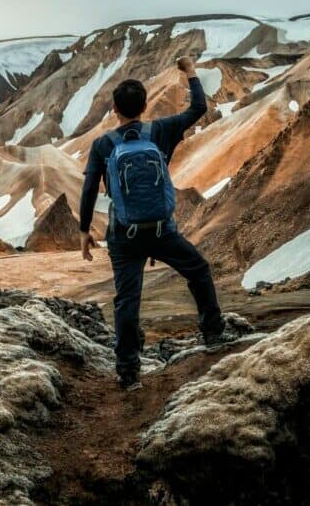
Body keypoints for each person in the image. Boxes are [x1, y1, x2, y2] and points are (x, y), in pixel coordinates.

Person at [78, 56, 233, 391]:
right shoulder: (160, 130)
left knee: (128, 299)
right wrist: (191, 72)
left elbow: (90, 188)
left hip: (124, 236)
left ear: (114, 109)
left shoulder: (103, 144)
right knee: (198, 270)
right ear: (145, 106)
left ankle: (129, 373)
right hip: (163, 231)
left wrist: (84, 232)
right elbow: (198, 109)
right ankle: (213, 334)